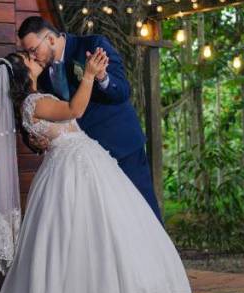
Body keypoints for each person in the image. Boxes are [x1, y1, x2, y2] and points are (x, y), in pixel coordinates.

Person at [0, 49, 196, 293]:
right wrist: (87, 76)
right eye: (27, 59)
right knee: (93, 232)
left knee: (97, 232)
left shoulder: (31, 103)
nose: (33, 58)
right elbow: (74, 111)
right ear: (22, 73)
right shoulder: (34, 102)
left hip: (74, 163)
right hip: (74, 166)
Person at [16, 16, 161, 221]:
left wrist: (102, 77)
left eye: (33, 50)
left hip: (121, 146)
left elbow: (122, 92)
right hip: (87, 162)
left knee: (145, 214)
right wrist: (36, 142)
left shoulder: (93, 45)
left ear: (49, 39)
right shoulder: (42, 75)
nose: (32, 56)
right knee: (110, 222)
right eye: (27, 52)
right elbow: (46, 116)